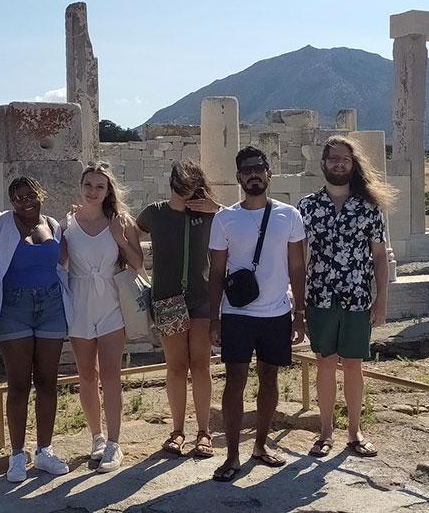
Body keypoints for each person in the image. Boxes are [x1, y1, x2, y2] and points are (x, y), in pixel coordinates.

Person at [207, 147, 306, 482]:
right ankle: (232, 455)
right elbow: (216, 271)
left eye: (258, 168)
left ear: (269, 173)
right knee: (234, 381)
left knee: (270, 379)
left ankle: (261, 446)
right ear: (238, 178)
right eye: (246, 170)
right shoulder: (224, 219)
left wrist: (300, 312)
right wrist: (214, 318)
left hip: (277, 312)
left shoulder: (289, 215)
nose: (253, 174)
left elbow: (297, 266)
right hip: (236, 313)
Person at [298, 136, 395, 459]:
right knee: (325, 365)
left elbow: (379, 257)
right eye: (333, 158)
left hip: (357, 296)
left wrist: (381, 299)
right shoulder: (308, 206)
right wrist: (297, 303)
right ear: (323, 163)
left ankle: (355, 432)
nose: (339, 163)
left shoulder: (370, 208)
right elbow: (299, 257)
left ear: (353, 165)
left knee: (353, 366)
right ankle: (325, 432)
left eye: (345, 159)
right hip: (320, 296)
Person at [0, 176, 71, 483]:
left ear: (41, 194)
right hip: (14, 307)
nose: (25, 202)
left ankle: (44, 451)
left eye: (30, 195)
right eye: (18, 198)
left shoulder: (55, 225)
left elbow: (63, 262)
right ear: (11, 202)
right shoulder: (0, 223)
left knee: (48, 381)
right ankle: (17, 455)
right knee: (18, 383)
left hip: (50, 305)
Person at [135, 161, 220, 458]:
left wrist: (215, 207)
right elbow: (132, 232)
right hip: (167, 297)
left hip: (200, 298)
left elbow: (234, 226)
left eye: (191, 186)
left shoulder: (207, 214)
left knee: (200, 365)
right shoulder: (155, 212)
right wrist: (138, 270)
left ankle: (204, 431)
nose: (186, 192)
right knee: (175, 366)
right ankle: (178, 430)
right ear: (172, 183)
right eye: (181, 186)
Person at [62, 162, 142, 473]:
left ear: (108, 190)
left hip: (111, 302)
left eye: (100, 186)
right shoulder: (67, 224)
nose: (93, 191)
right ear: (80, 187)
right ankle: (95, 437)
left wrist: (120, 238)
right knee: (86, 375)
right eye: (88, 185)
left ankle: (114, 442)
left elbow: (138, 264)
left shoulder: (120, 221)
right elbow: (59, 264)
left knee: (111, 376)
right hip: (80, 302)